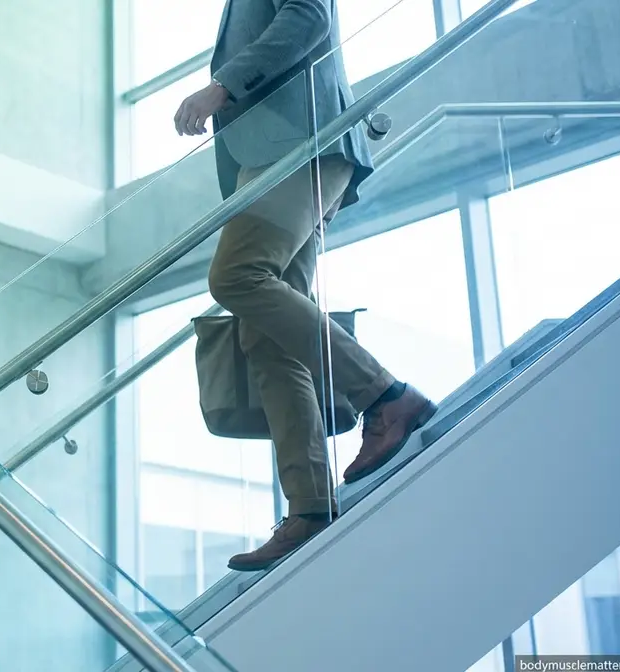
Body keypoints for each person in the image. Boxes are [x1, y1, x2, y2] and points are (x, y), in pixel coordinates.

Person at [174, 0, 437, 571]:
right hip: (284, 150)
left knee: (236, 276)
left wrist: (221, 88)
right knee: (266, 335)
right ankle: (310, 506)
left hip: (300, 143)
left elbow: (308, 15)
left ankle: (386, 395)